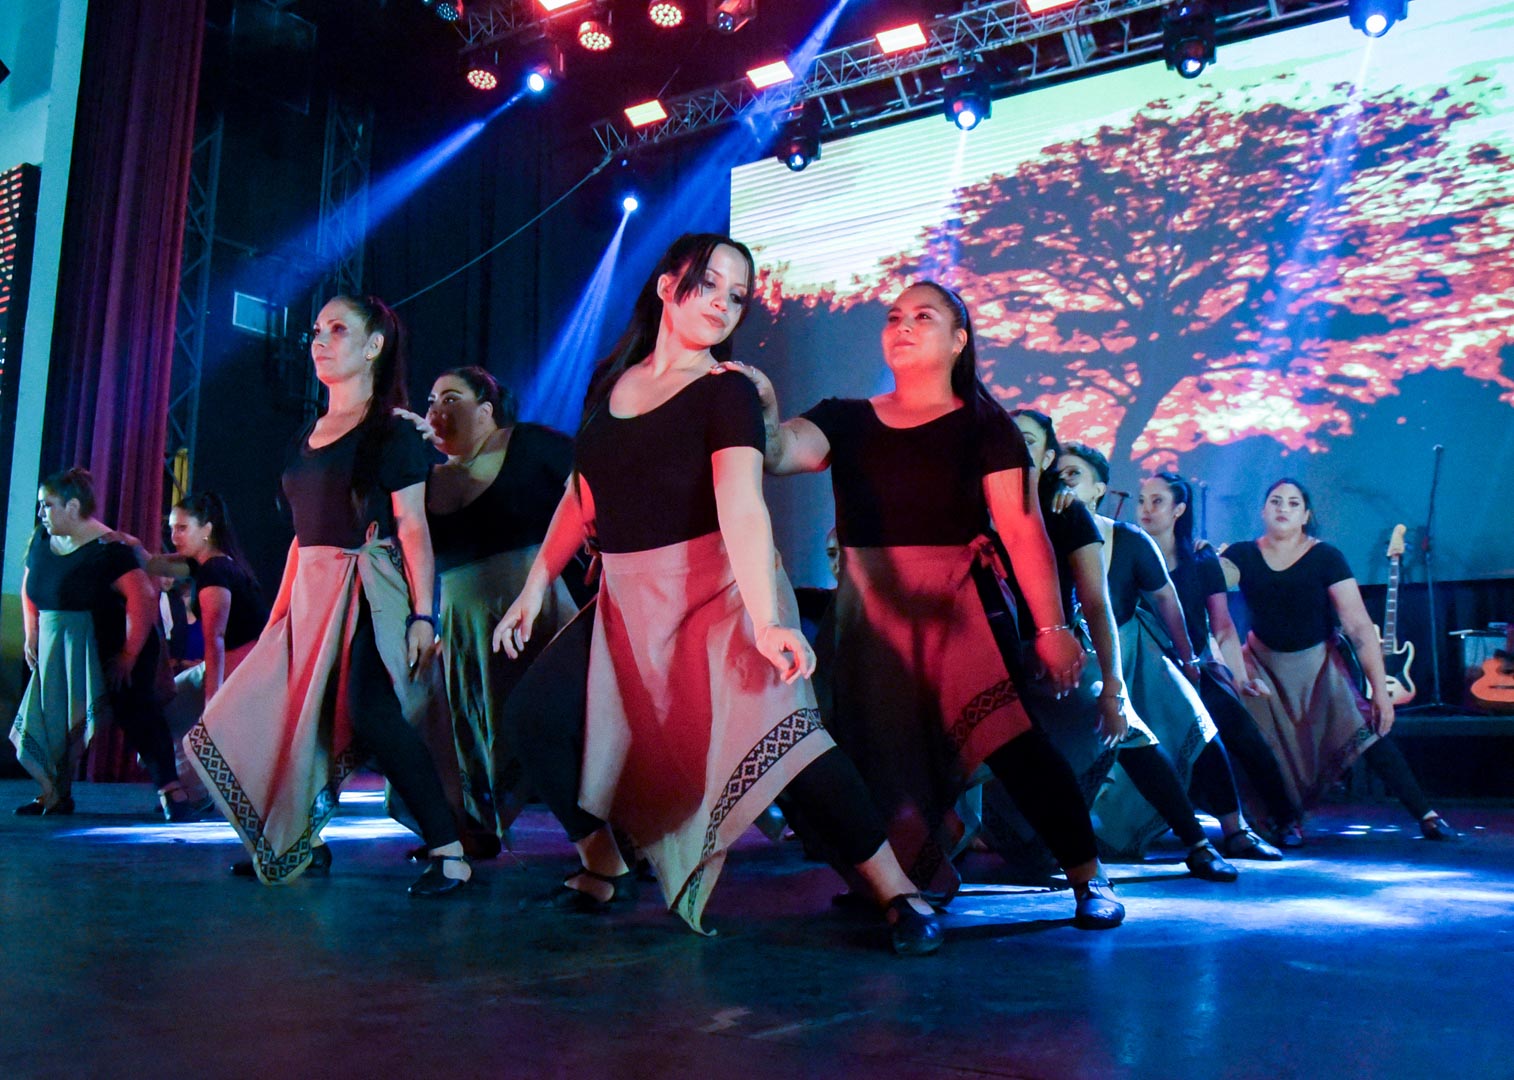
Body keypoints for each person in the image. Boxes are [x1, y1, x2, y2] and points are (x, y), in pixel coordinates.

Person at [493, 233, 942, 954]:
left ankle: (897, 890)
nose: (724, 304)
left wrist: (767, 621)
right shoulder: (612, 383)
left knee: (788, 746)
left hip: (719, 593)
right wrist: (534, 585)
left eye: (737, 296)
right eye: (709, 284)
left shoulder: (725, 390)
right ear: (667, 286)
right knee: (535, 718)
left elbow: (742, 502)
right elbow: (582, 496)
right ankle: (602, 867)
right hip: (629, 601)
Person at [738, 281, 1125, 929]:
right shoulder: (845, 418)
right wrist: (767, 406)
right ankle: (906, 879)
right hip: (869, 616)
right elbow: (777, 452)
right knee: (872, 753)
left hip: (956, 612)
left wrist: (1052, 626)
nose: (904, 326)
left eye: (924, 316)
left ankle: (1090, 877)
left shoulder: (985, 424)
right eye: (894, 317)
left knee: (1010, 742)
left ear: (958, 340)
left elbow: (1023, 528)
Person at [185, 294, 472, 895]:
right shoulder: (304, 435)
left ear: (374, 347)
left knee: (371, 711)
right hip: (312, 593)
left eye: (338, 330)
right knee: (290, 712)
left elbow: (413, 528)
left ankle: (450, 850)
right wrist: (281, 616)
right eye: (317, 329)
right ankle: (302, 841)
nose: (319, 340)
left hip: (369, 590)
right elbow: (301, 538)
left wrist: (424, 615)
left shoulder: (393, 432)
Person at [1000, 413, 1246, 881]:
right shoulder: (977, 509)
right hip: (998, 656)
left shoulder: (1068, 514)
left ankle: (1198, 841)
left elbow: (1106, 604)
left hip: (1067, 653)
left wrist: (1121, 683)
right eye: (1006, 438)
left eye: (1027, 440)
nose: (1013, 447)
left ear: (1047, 458)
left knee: (1130, 729)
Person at [1056, 444, 1278, 866]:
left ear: (1099, 489)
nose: (1063, 483)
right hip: (1076, 664)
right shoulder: (1041, 535)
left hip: (1134, 657)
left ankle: (1234, 831)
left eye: (1073, 475)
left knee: (1196, 723)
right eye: (1058, 475)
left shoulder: (1128, 539)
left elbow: (1165, 599)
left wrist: (1189, 660)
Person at [1221, 479, 1456, 842]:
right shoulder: (1242, 554)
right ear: (1263, 511)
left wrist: (1380, 692)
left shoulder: (1326, 557)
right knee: (1255, 743)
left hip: (1318, 668)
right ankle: (1284, 820)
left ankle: (1426, 814)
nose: (1283, 508)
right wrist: (1202, 558)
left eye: (1293, 503)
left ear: (1306, 515)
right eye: (1276, 501)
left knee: (1366, 732)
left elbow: (1359, 626)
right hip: (1262, 666)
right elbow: (1206, 584)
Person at [410, 366, 577, 848]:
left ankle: (614, 839)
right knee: (465, 724)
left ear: (485, 409)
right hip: (463, 623)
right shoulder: (422, 479)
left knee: (561, 719)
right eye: (431, 400)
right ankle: (475, 826)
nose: (436, 409)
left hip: (537, 612)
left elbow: (591, 493)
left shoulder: (529, 444)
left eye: (451, 398)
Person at [12, 468, 190, 819]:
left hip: (111, 643)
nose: (41, 513)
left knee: (134, 708)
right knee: (53, 714)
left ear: (72, 506)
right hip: (59, 645)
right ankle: (54, 793)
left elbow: (142, 598)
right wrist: (32, 634)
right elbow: (29, 588)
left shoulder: (108, 548)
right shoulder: (42, 540)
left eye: (47, 505)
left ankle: (173, 792)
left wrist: (128, 655)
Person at [1137, 473, 1303, 846]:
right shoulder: (1130, 553)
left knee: (1240, 730)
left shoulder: (1200, 560)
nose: (1146, 509)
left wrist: (1239, 680)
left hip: (1194, 670)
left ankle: (1283, 819)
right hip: (1144, 673)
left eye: (1157, 501)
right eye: (1142, 500)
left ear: (1179, 509)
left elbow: (1223, 627)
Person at [156, 494, 269, 780]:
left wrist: (212, 700)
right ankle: (184, 783)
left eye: (182, 528)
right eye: (171, 528)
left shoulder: (215, 571)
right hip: (237, 666)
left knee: (165, 713)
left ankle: (188, 786)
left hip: (241, 670)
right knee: (161, 709)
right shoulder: (207, 564)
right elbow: (153, 565)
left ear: (206, 529)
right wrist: (127, 545)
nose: (174, 536)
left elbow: (215, 639)